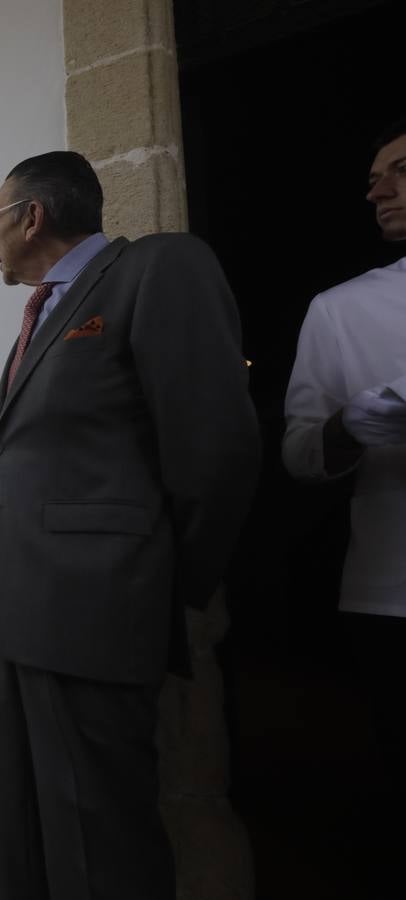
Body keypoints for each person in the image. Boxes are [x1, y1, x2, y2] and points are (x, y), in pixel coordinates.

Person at [0, 151, 260, 900]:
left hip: (92, 619)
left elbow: (217, 452)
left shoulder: (158, 269)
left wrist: (160, 587)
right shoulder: (38, 318)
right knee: (21, 834)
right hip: (9, 621)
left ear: (31, 216)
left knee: (99, 848)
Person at [283, 116, 406, 797]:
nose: (377, 191)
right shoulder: (341, 311)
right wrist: (352, 424)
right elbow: (300, 454)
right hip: (395, 594)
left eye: (402, 170)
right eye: (372, 178)